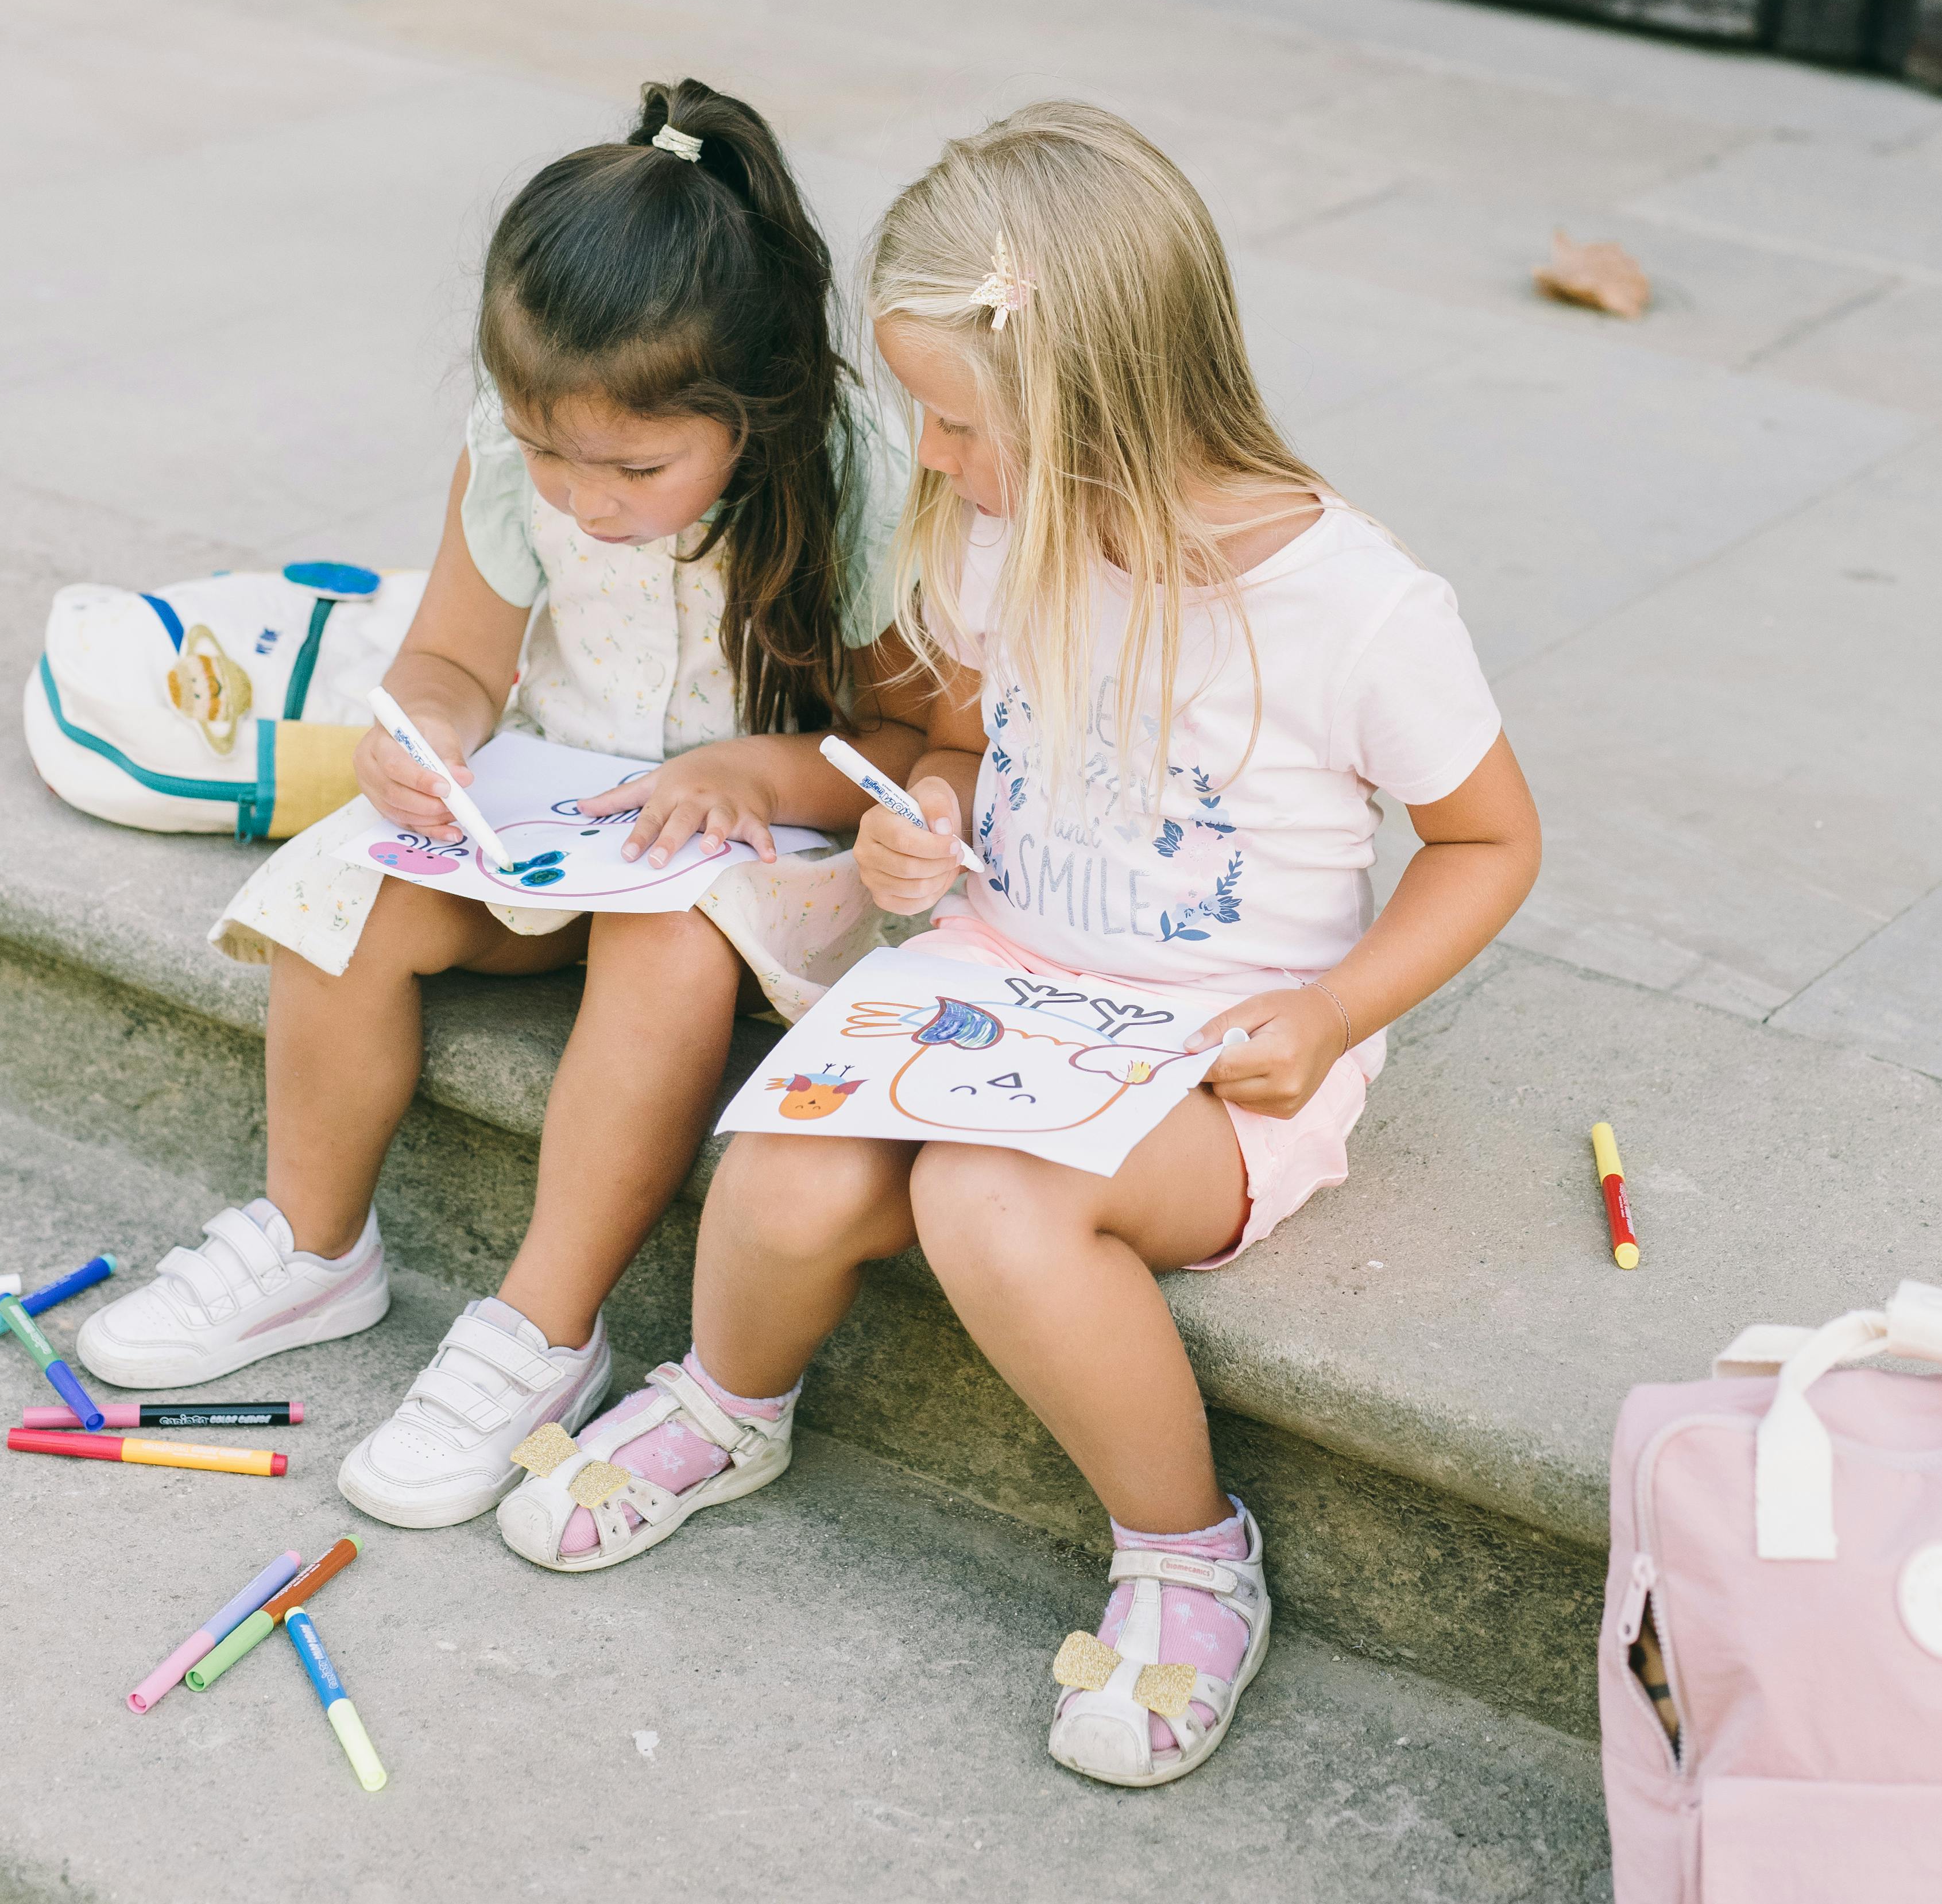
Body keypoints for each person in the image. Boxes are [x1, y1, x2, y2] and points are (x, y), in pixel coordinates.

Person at [491, 102, 1539, 1794]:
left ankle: (1188, 1551)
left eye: (955, 420)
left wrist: (1336, 1006)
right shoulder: (996, 532)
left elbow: (1490, 841)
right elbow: (964, 741)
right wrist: (922, 810)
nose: (929, 455)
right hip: (997, 971)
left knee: (985, 1197)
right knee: (784, 1157)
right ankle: (724, 1400)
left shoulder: (1356, 611)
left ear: (1105, 403)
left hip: (1216, 1052)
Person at [78, 83, 919, 1534]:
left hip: (763, 851)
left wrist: (749, 773)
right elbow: (457, 660)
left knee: (663, 947)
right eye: (550, 456)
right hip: (564, 811)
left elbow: (905, 738)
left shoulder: (848, 483)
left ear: (753, 407)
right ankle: (311, 1238)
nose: (582, 501)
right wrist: (422, 740)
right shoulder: (518, 443)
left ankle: (540, 1329)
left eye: (635, 469)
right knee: (349, 879)